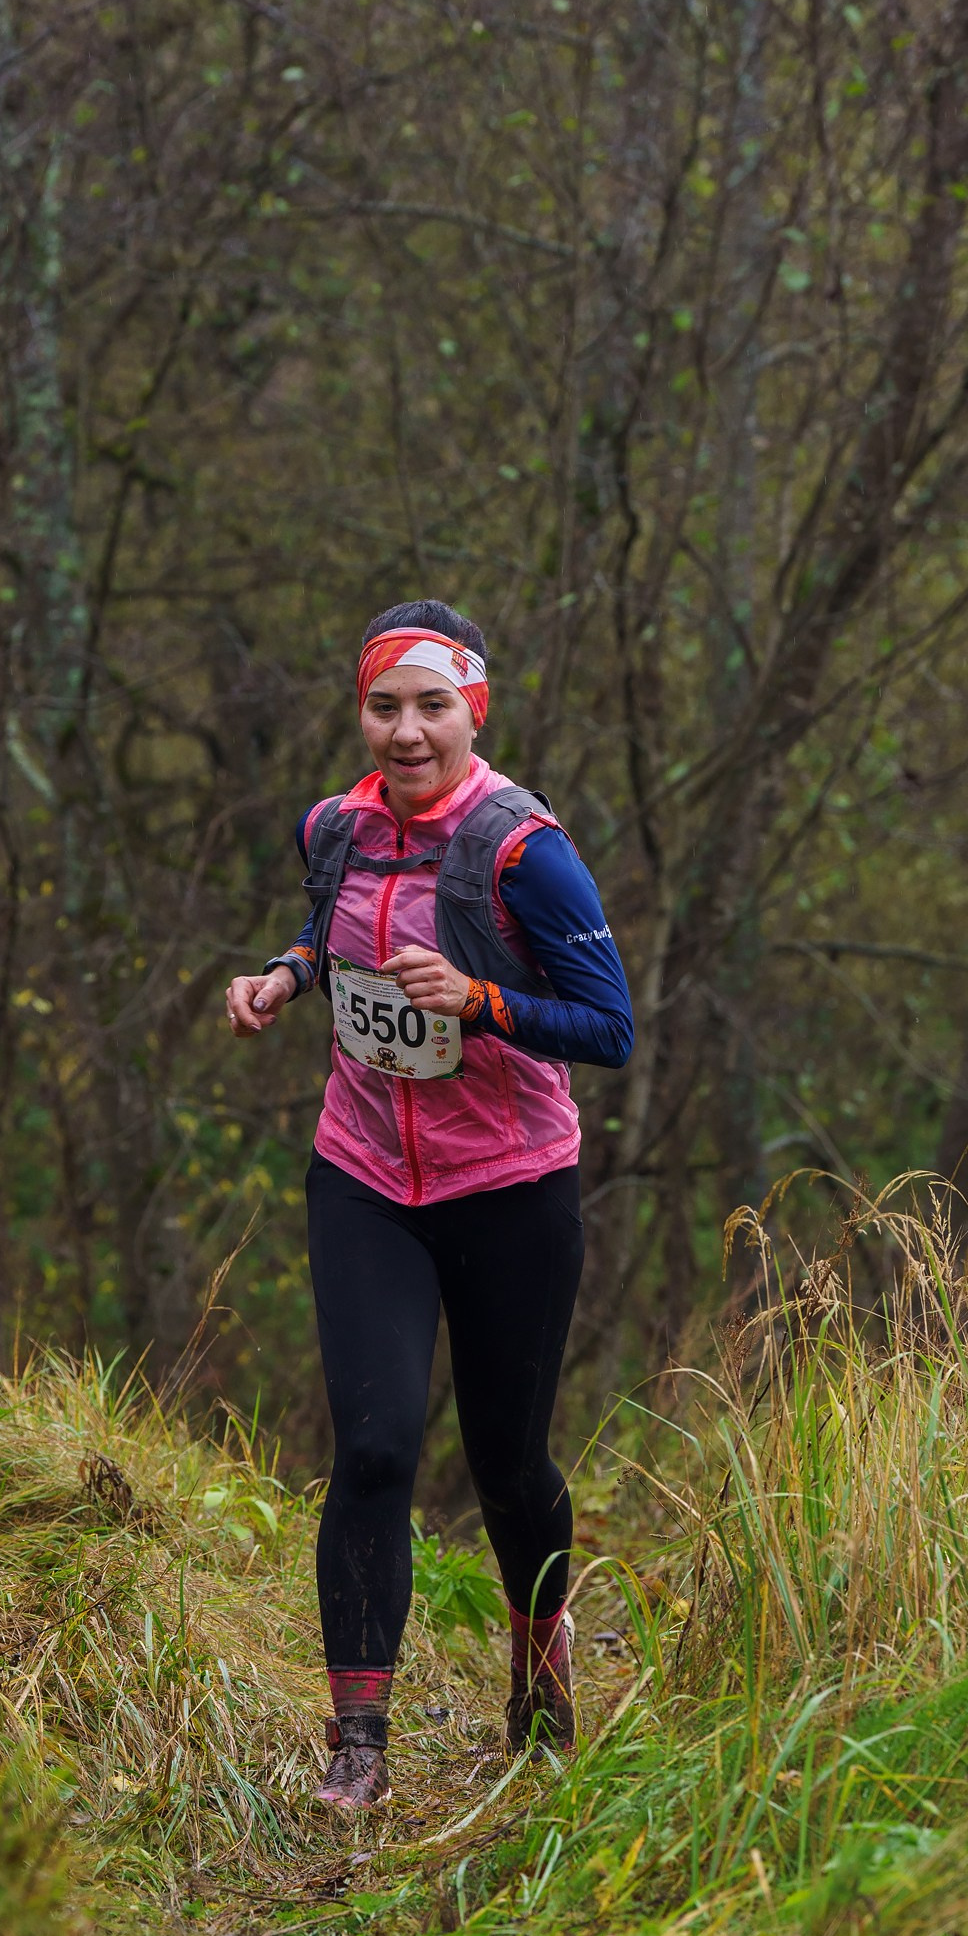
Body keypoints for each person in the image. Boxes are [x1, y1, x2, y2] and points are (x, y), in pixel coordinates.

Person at [225, 601, 635, 1810]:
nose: (406, 733)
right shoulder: (335, 827)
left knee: (506, 1463)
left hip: (510, 1188)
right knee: (374, 1446)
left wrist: (474, 1000)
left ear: (473, 713)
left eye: (431, 707)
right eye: (383, 707)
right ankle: (358, 1742)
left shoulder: (523, 852)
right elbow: (330, 922)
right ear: (362, 714)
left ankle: (540, 1659)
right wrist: (286, 977)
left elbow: (607, 1026)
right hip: (362, 1177)